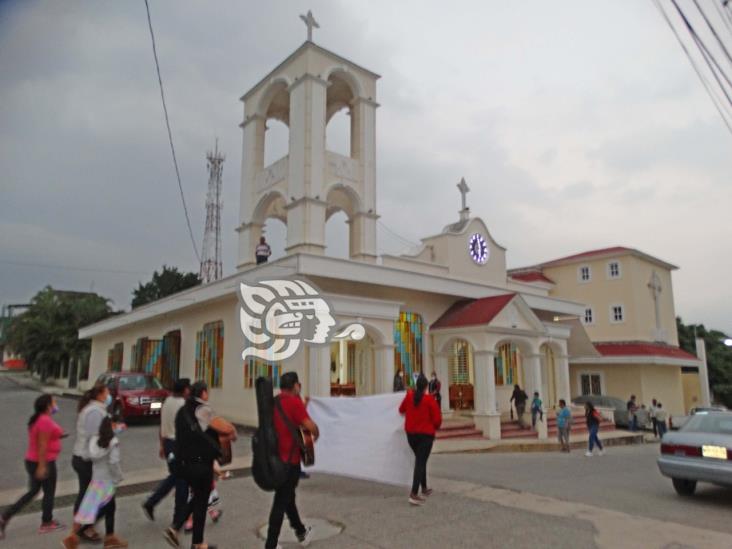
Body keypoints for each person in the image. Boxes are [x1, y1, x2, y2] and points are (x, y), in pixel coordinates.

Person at [164, 381, 221, 549]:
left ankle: (175, 528)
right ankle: (197, 543)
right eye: (207, 391)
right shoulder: (202, 409)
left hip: (184, 462)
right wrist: (231, 432)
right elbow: (218, 426)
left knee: (198, 497)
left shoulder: (183, 410)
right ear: (203, 393)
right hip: (200, 463)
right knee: (201, 503)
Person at [265, 372, 318, 549]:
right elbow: (309, 426)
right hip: (290, 461)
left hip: (274, 459)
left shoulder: (274, 401)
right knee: (281, 501)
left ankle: (301, 532)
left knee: (288, 497)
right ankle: (271, 544)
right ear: (295, 385)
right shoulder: (294, 402)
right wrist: (315, 434)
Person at [0, 394, 65, 539]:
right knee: (48, 492)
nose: (56, 404)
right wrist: (42, 466)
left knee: (33, 492)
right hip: (43, 461)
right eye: (54, 402)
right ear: (48, 406)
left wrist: (58, 436)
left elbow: (44, 437)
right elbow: (42, 445)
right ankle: (47, 523)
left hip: (32, 460)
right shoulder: (44, 421)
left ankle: (4, 517)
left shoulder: (38, 419)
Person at [62, 416, 127, 549]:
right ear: (113, 425)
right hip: (108, 480)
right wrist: (118, 477)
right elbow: (114, 462)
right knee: (106, 509)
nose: (121, 427)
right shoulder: (113, 442)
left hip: (96, 480)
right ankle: (79, 537)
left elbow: (86, 455)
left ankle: (105, 537)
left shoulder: (94, 440)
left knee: (94, 508)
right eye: (118, 424)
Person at [142, 378, 191, 525]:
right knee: (182, 482)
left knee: (175, 476)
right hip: (180, 445)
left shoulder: (167, 401)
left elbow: (162, 425)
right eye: (188, 388)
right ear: (184, 390)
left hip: (169, 443)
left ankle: (151, 502)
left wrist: (162, 445)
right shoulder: (184, 405)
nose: (189, 391)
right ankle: (178, 519)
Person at [71, 382, 112, 543]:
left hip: (83, 457)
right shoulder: (95, 412)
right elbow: (94, 438)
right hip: (87, 459)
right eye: (107, 392)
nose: (109, 395)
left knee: (87, 493)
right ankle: (83, 527)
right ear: (101, 395)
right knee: (93, 494)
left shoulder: (95, 410)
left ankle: (82, 527)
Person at [399, 374, 442, 506]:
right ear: (425, 387)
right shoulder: (429, 400)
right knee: (420, 462)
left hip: (411, 435)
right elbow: (437, 420)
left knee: (420, 460)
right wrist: (434, 427)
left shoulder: (409, 397)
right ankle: (413, 493)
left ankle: (423, 488)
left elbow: (401, 410)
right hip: (425, 435)